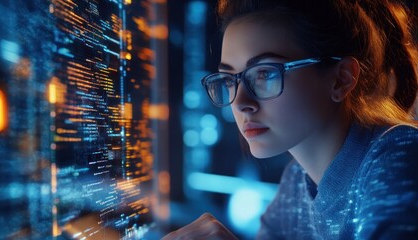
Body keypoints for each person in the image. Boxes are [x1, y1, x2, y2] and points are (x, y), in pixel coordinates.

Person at [162, 0, 418, 239]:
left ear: (342, 78)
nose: (240, 104)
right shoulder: (295, 183)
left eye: (264, 74)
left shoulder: (400, 156)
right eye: (230, 80)